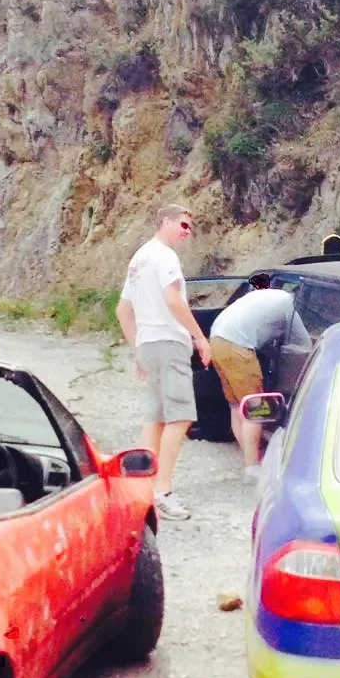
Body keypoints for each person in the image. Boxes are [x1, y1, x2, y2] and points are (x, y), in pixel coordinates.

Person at [116, 204, 211, 521]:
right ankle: (163, 490)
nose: (187, 231)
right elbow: (173, 301)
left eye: (190, 228)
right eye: (183, 224)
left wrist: (137, 348)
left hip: (149, 343)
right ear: (166, 221)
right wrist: (199, 337)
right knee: (180, 416)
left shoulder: (139, 257)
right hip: (170, 341)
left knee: (155, 416)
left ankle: (143, 489)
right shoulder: (165, 256)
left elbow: (123, 311)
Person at [208, 275, 308, 480]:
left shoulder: (268, 296)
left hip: (217, 339)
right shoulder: (289, 305)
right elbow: (303, 344)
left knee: (238, 406)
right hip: (237, 345)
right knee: (256, 408)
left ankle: (250, 459)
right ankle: (252, 468)